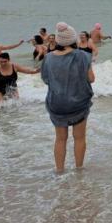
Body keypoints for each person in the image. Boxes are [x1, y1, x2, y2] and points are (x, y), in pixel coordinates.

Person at [41, 22, 95, 173]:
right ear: (73, 39)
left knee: (60, 139)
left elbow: (46, 79)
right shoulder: (84, 56)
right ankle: (79, 169)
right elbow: (91, 79)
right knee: (79, 137)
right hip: (78, 102)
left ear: (58, 40)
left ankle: (59, 170)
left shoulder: (49, 57)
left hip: (57, 103)